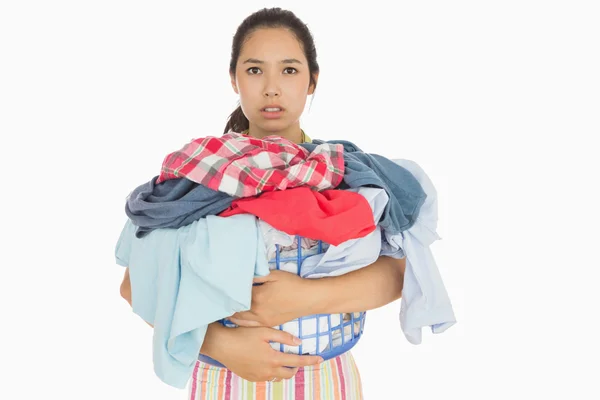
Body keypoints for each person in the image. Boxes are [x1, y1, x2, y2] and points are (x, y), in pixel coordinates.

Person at [120, 7, 406, 399]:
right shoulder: (200, 172)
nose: (272, 88)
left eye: (289, 70)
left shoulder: (344, 173)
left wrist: (303, 298)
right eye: (255, 70)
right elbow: (136, 285)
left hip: (327, 379)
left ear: (312, 81)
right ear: (234, 79)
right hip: (224, 381)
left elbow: (398, 275)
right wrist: (218, 343)